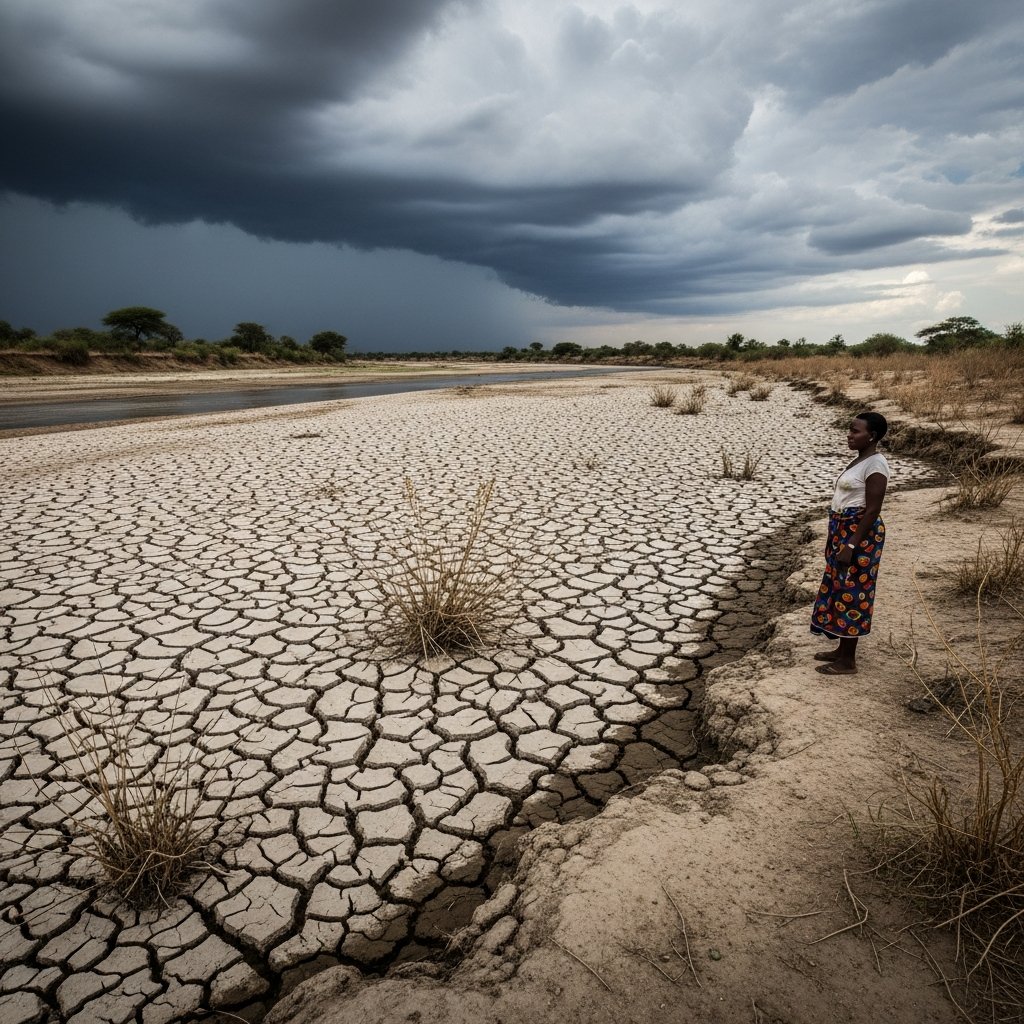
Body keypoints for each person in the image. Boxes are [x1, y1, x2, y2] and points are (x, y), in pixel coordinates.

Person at [811, 411, 890, 675]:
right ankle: (842, 651)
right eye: (850, 429)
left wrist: (852, 545)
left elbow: (872, 510)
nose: (850, 435)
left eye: (856, 431)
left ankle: (848, 662)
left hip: (859, 535)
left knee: (853, 592)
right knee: (840, 587)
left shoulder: (876, 465)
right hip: (844, 531)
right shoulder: (861, 460)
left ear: (873, 436)